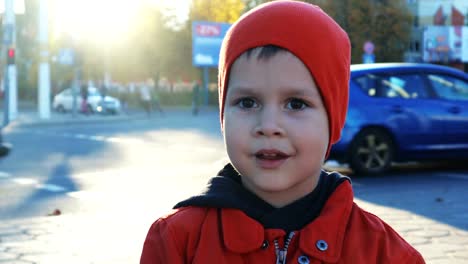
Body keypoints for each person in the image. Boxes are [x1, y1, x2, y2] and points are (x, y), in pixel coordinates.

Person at [140, 1, 425, 263]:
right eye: (247, 102)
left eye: (296, 104)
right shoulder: (177, 240)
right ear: (223, 113)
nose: (268, 126)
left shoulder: (385, 253)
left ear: (333, 119)